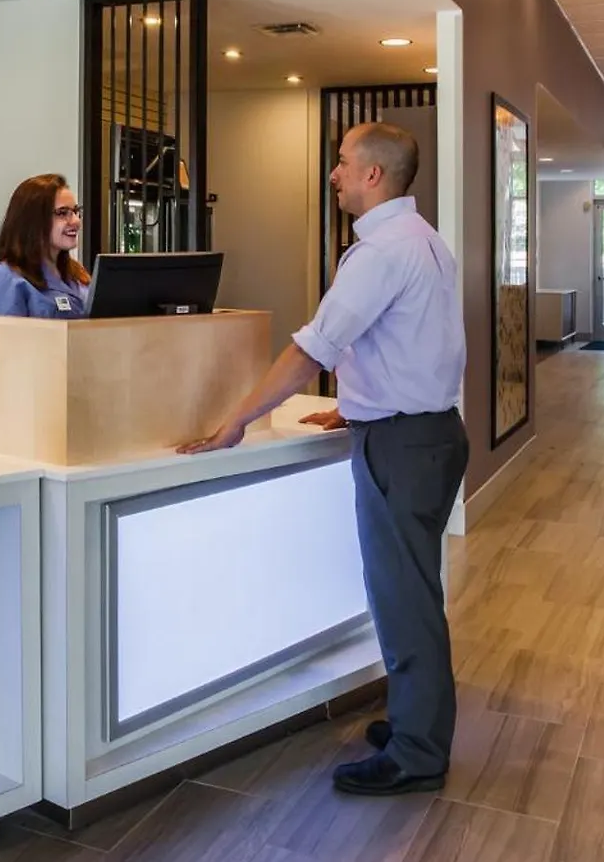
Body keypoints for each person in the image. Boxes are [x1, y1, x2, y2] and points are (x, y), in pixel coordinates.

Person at [180, 121, 467, 797]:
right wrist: (358, 403)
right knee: (412, 592)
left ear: (373, 174)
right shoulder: (423, 239)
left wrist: (236, 421)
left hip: (403, 445)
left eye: (341, 162)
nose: (333, 174)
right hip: (425, 432)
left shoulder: (382, 252)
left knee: (404, 600)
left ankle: (418, 754)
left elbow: (313, 349)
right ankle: (415, 724)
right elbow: (415, 344)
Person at [0, 173, 90, 319]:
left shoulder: (76, 273)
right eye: (62, 213)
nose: (76, 221)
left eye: (75, 211)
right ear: (33, 221)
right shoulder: (5, 277)